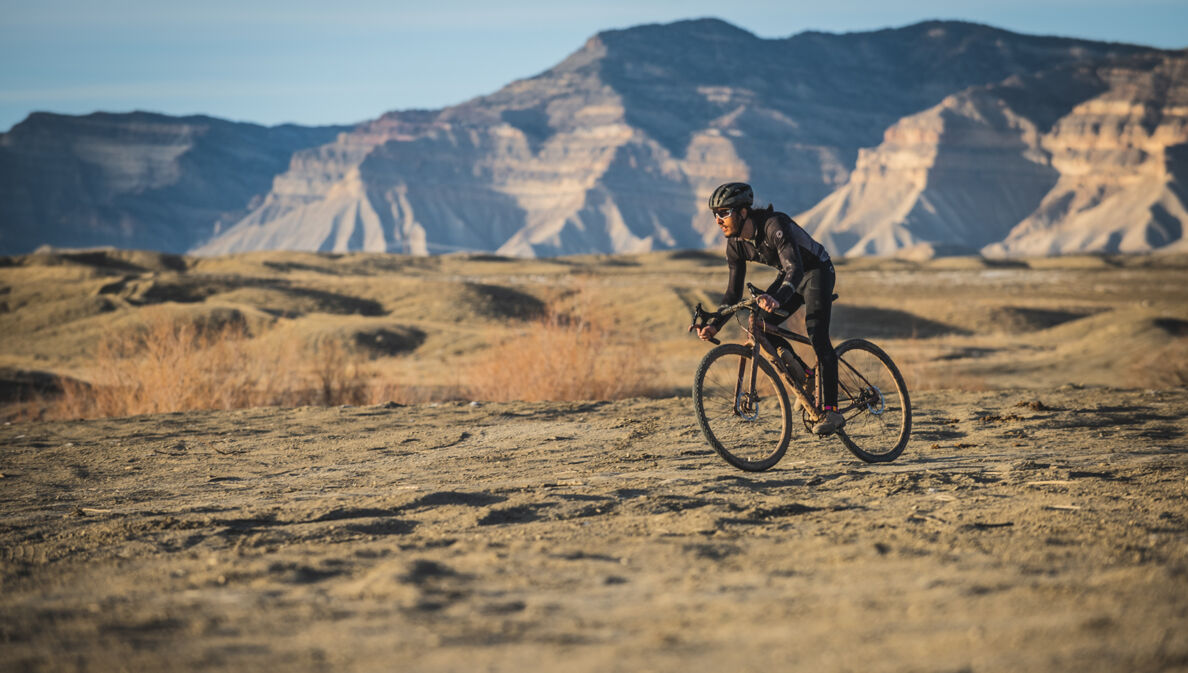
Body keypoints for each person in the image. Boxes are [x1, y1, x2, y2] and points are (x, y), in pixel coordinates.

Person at [696, 182, 844, 435]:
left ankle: (831, 410)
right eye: (714, 214)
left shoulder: (774, 225)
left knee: (817, 335)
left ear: (743, 212)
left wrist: (778, 297)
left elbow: (795, 269)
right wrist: (714, 323)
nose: (718, 220)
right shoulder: (735, 245)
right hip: (789, 276)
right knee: (757, 321)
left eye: (724, 213)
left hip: (816, 270)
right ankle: (805, 375)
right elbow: (733, 293)